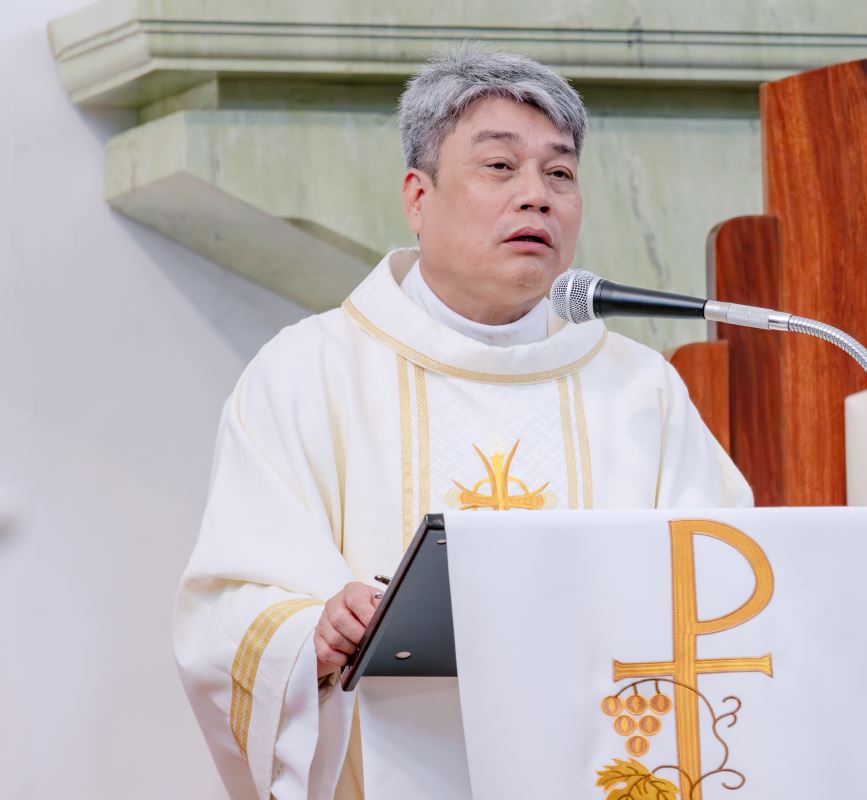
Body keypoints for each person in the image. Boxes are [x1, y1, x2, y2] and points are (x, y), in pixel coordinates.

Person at [173, 44, 751, 800]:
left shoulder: (640, 389)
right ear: (418, 197)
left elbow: (726, 588)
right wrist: (311, 633)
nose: (537, 196)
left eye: (560, 173)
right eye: (500, 166)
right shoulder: (308, 372)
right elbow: (226, 610)